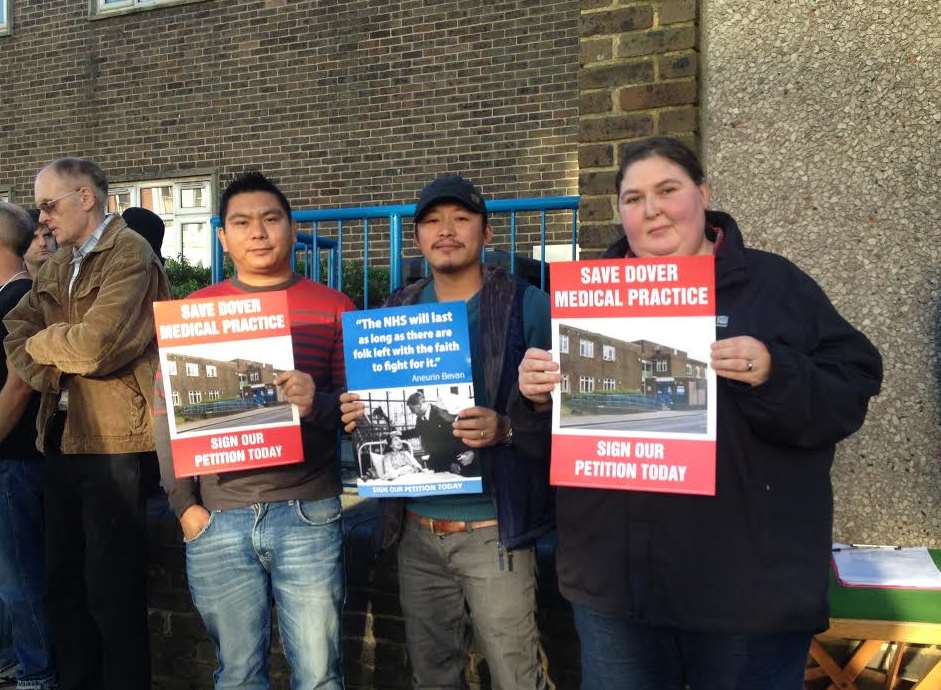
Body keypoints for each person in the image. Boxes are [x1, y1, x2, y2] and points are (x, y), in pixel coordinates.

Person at [515, 137, 883, 690]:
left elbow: (851, 387)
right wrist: (537, 398)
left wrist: (774, 370)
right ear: (619, 211)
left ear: (703, 194)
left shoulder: (773, 284)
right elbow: (551, 449)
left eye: (668, 190)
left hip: (744, 597)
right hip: (616, 591)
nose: (652, 209)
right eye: (634, 198)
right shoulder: (585, 299)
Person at [340, 174, 554, 689]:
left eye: (461, 218)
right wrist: (356, 415)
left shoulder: (527, 306)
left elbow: (564, 421)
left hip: (493, 532)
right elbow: (375, 414)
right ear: (417, 237)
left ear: (485, 231)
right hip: (415, 531)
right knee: (433, 677)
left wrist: (506, 428)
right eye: (432, 221)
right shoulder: (395, 311)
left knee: (517, 676)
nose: (447, 231)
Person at [155, 171, 352, 689]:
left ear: (291, 227)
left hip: (308, 511)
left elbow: (360, 412)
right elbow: (166, 417)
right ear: (223, 237)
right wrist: (185, 506)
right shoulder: (196, 313)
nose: (258, 233)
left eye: (270, 219)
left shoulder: (334, 306)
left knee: (318, 674)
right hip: (218, 515)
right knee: (238, 674)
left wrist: (318, 403)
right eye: (242, 222)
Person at [3, 158, 169, 690]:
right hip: (59, 437)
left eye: (48, 206)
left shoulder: (130, 254)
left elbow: (98, 346)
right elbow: (14, 332)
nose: (42, 219)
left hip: (115, 440)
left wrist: (45, 345)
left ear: (85, 198)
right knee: (63, 588)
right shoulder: (58, 264)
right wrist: (51, 349)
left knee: (112, 591)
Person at [0, 203, 56, 690]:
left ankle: (37, 675)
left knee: (20, 580)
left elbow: (19, 386)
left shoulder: (18, 301)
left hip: (15, 464)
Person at [401, 391, 475, 474]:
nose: (412, 412)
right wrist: (400, 434)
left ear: (419, 405)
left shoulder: (442, 414)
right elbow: (417, 431)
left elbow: (454, 440)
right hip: (438, 460)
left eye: (412, 409)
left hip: (457, 459)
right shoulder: (420, 418)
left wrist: (454, 462)